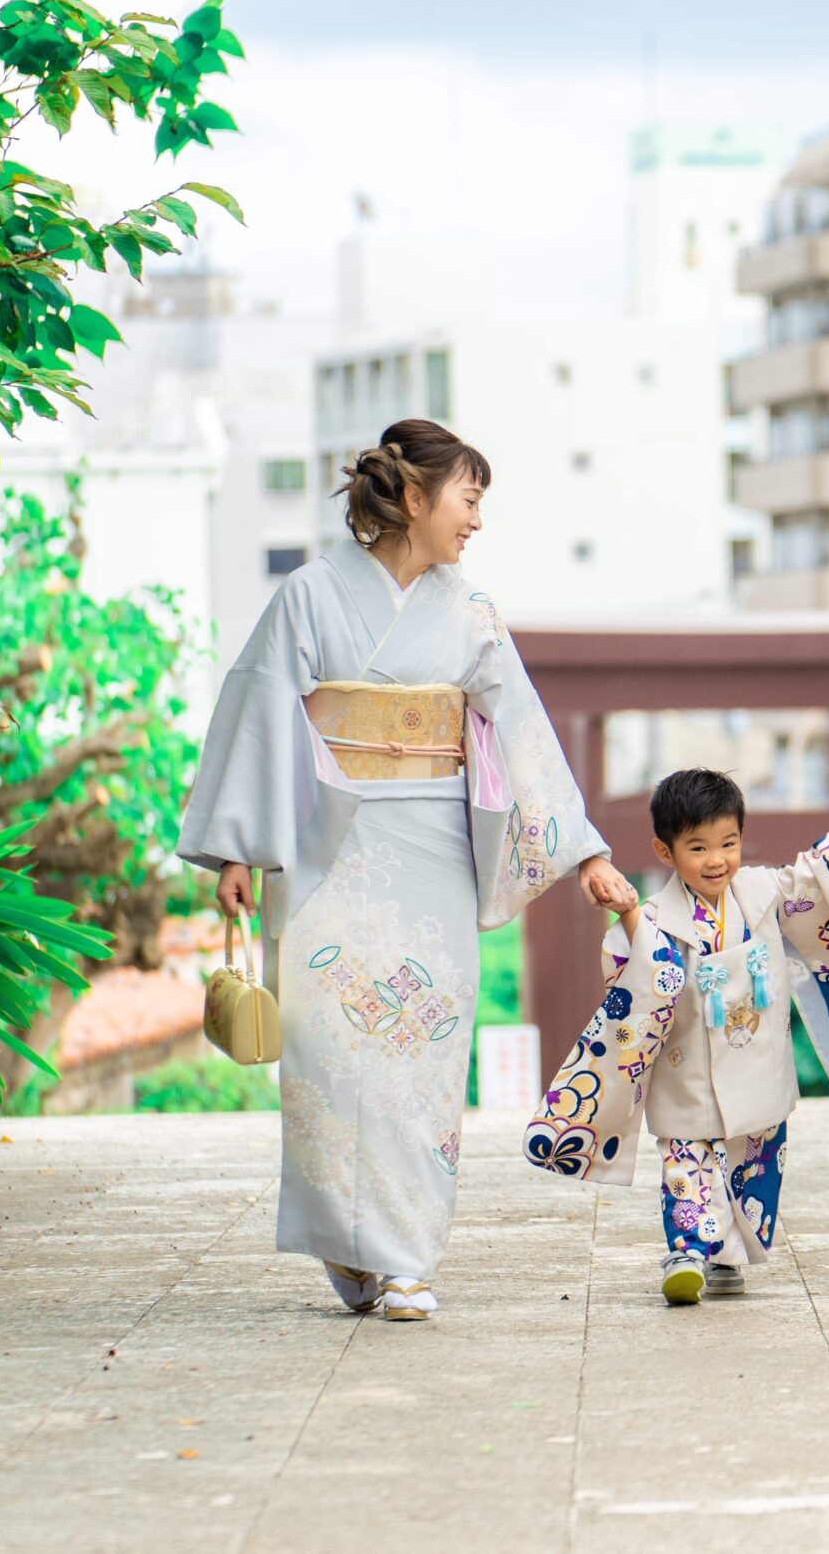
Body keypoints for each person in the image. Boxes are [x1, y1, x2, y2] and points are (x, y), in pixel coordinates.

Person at [177, 418, 635, 1323]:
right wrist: (237, 847)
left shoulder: (470, 614)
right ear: (416, 498)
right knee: (330, 1051)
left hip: (432, 851)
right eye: (468, 498)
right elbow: (261, 711)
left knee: (419, 1050)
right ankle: (352, 1248)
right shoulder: (308, 596)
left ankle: (405, 1254)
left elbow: (526, 733)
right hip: (325, 845)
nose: (475, 521)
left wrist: (583, 846)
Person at [523, 766, 829, 1304]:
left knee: (753, 1166)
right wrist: (626, 917)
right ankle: (687, 1252)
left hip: (758, 1067)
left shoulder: (761, 891)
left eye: (728, 843)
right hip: (687, 1072)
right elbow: (641, 976)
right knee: (686, 1164)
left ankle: (726, 1256)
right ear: (665, 853)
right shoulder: (654, 916)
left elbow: (824, 872)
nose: (717, 860)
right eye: (698, 847)